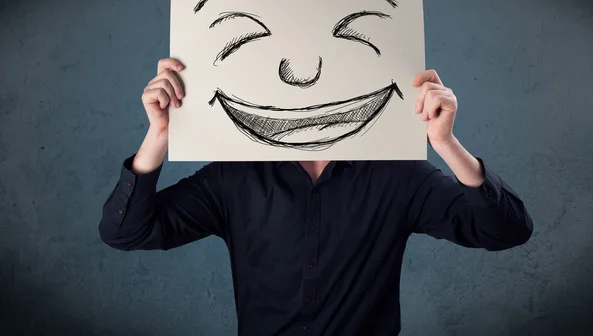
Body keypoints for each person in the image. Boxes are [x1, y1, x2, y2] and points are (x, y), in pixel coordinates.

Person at [99, 58, 533, 336]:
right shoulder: (234, 177)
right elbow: (126, 232)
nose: (304, 77)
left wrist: (445, 144)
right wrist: (158, 136)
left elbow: (508, 229)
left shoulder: (397, 175)